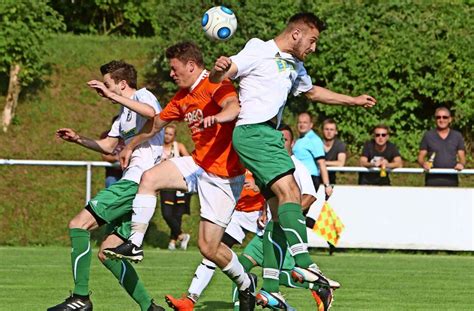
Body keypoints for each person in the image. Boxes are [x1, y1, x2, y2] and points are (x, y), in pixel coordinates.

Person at [209, 12, 376, 308]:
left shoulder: (295, 65)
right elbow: (223, 73)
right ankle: (304, 263)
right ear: (296, 34)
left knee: (278, 211)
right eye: (312, 41)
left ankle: (271, 287)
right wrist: (218, 70)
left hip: (268, 136)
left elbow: (312, 93)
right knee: (292, 193)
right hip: (253, 133)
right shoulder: (258, 48)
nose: (313, 48)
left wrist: (353, 100)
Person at [103, 42, 257, 310]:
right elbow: (155, 125)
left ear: (190, 65)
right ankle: (135, 244)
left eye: (174, 69)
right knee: (149, 179)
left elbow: (233, 106)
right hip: (198, 164)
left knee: (209, 248)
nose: (171, 74)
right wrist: (129, 145)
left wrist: (219, 118)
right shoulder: (182, 98)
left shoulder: (215, 82)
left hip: (224, 176)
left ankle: (246, 285)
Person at [48, 61, 165, 311]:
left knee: (78, 224)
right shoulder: (123, 116)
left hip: (136, 182)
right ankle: (150, 307)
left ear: (122, 84)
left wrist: (112, 95)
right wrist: (78, 139)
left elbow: (152, 115)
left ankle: (81, 298)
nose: (105, 91)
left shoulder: (144, 96)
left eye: (109, 84)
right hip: (132, 184)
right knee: (108, 253)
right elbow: (109, 147)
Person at [165, 169, 265, 310]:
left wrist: (259, 185)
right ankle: (189, 301)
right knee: (211, 252)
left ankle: (301, 286)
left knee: (283, 266)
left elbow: (272, 177)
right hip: (237, 213)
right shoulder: (226, 156)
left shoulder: (254, 152)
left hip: (262, 212)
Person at [159, 124, 192, 250]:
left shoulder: (179, 147)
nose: (167, 136)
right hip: (165, 185)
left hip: (178, 185)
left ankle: (172, 241)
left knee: (177, 214)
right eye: (165, 133)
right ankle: (182, 235)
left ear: (174, 136)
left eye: (170, 134)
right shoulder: (158, 147)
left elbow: (189, 161)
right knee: (167, 214)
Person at [417, 107, 466, 187]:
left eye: (445, 117)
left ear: (450, 119)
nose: (441, 120)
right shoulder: (428, 135)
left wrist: (461, 164)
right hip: (432, 180)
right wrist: (423, 164)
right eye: (438, 117)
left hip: (451, 180)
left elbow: (462, 158)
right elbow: (420, 157)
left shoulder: (457, 136)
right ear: (435, 119)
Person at [293, 112, 333, 206]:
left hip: (309, 178)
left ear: (311, 125)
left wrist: (327, 185)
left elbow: (321, 163)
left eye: (305, 122)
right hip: (298, 178)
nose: (302, 125)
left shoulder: (314, 140)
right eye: (300, 122)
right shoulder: (301, 139)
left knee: (300, 209)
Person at [100, 115, 125, 188]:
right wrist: (117, 158)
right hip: (113, 174)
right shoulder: (106, 135)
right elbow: (104, 156)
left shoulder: (131, 135)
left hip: (130, 174)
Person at [322, 118, 347, 185]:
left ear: (336, 132)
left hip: (331, 181)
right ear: (322, 130)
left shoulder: (340, 145)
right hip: (316, 179)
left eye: (331, 129)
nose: (329, 132)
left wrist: (323, 163)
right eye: (326, 129)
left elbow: (341, 163)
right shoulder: (316, 144)